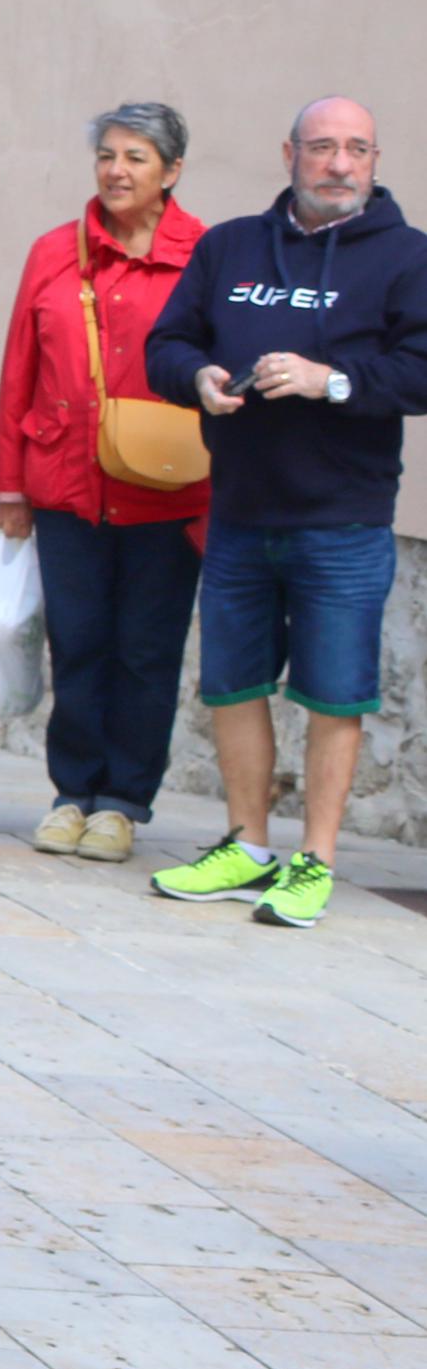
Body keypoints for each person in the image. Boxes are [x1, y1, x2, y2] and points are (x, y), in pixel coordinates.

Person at [143, 98, 427, 930]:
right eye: (321, 147)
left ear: (374, 160)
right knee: (232, 684)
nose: (338, 163)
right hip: (236, 509)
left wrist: (327, 380)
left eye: (355, 149)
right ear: (289, 154)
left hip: (343, 518)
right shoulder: (228, 244)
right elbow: (166, 343)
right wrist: (193, 378)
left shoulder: (406, 258)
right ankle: (245, 844)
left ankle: (315, 861)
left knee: (334, 694)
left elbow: (420, 370)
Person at [0, 103, 209, 863]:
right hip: (65, 481)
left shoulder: (204, 257)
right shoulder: (55, 250)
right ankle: (69, 790)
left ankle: (120, 801)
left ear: (170, 172)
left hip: (168, 490)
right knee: (74, 641)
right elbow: (19, 365)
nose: (116, 170)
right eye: (108, 155)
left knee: (146, 648)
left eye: (136, 157)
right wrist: (8, 486)